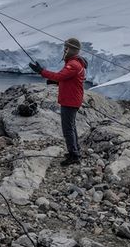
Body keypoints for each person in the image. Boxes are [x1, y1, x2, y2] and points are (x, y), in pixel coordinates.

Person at [29, 38, 88, 166]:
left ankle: (74, 155)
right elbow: (65, 78)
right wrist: (56, 81)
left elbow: (60, 76)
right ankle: (75, 150)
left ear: (71, 49)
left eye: (66, 48)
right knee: (71, 126)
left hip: (70, 101)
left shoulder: (73, 64)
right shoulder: (75, 63)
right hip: (72, 99)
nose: (64, 50)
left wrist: (41, 71)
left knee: (67, 128)